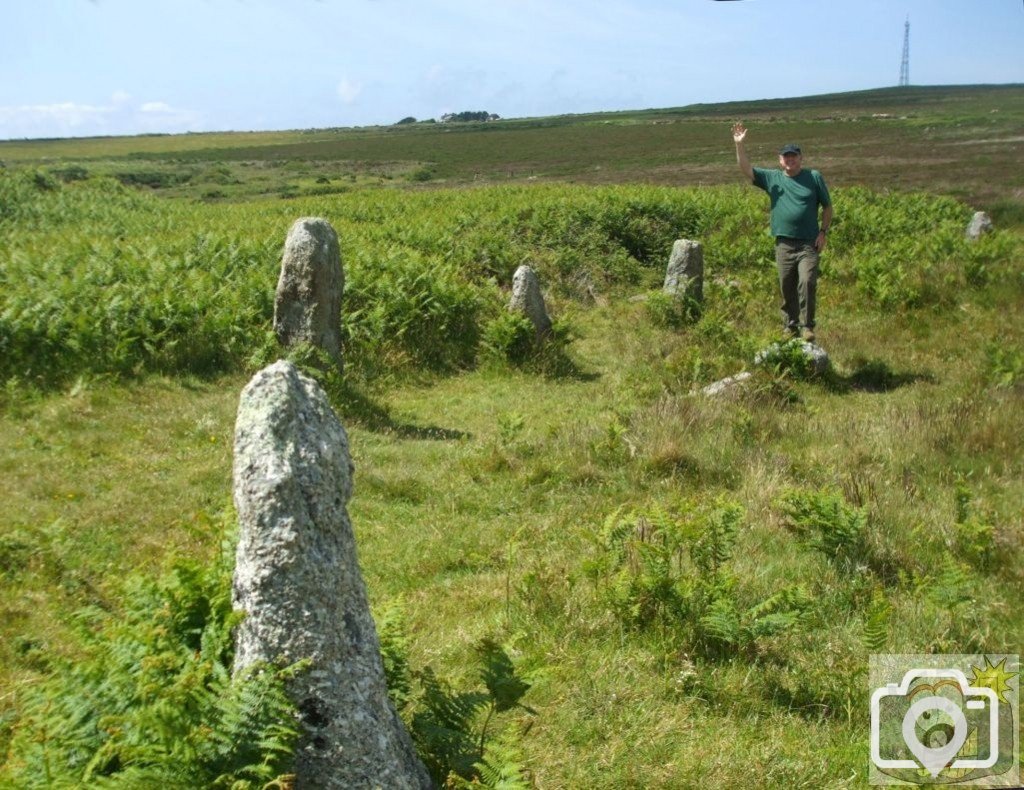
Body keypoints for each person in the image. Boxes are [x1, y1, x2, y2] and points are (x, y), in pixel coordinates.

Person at [732, 122, 832, 342]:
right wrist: (739, 145)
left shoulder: (813, 177)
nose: (790, 159)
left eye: (794, 156)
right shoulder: (772, 178)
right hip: (784, 243)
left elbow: (827, 207)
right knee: (786, 285)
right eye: (786, 157)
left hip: (808, 243)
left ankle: (807, 326)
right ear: (780, 160)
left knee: (807, 281)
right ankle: (790, 325)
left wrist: (823, 232)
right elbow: (746, 169)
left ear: (800, 158)